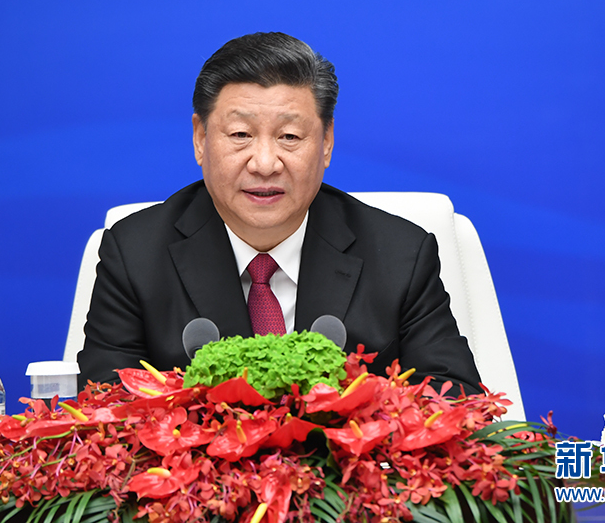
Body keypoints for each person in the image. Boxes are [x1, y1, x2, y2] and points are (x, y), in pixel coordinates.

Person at [77, 32, 482, 395]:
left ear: (326, 142)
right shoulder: (134, 255)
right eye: (241, 135)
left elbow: (454, 398)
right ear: (200, 139)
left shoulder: (400, 255)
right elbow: (105, 406)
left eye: (289, 136)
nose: (265, 163)